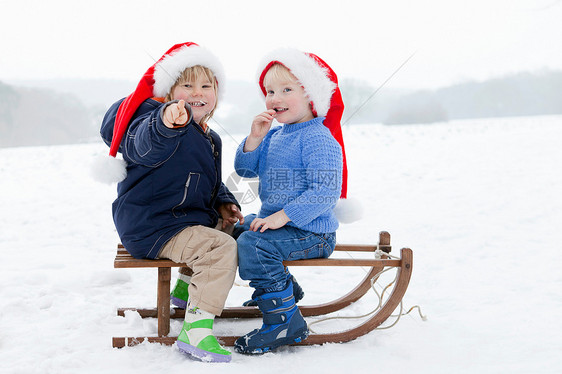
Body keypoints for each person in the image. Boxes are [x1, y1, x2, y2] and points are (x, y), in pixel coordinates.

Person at [98, 42, 243, 363]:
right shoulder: (162, 124)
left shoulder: (209, 137)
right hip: (152, 225)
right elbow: (143, 146)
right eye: (187, 85)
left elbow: (208, 182)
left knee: (230, 229)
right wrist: (164, 123)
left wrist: (224, 202)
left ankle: (184, 293)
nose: (197, 92)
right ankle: (197, 330)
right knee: (219, 248)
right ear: (168, 92)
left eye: (207, 85)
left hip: (179, 220)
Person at [233, 48, 350, 354]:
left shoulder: (318, 138)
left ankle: (284, 321)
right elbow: (245, 170)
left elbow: (324, 191)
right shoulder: (275, 135)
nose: (275, 98)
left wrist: (281, 216)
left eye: (287, 90)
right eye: (270, 91)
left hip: (313, 232)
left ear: (310, 95)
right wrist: (255, 138)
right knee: (238, 230)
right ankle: (283, 290)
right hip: (283, 227)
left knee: (252, 244)